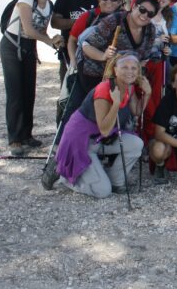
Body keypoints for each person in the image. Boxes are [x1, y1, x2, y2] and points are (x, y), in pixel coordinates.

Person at [46, 53, 149, 197]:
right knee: (102, 192)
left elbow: (137, 111)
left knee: (136, 144)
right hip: (82, 141)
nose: (130, 71)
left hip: (102, 139)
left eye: (134, 68)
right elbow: (105, 129)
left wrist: (147, 94)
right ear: (115, 70)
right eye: (124, 67)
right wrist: (116, 104)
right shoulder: (104, 89)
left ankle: (116, 181)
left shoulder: (129, 88)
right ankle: (64, 177)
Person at [67, 0, 162, 128]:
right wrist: (103, 56)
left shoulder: (150, 30)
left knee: (121, 112)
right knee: (97, 113)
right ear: (134, 6)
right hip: (95, 72)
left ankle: (112, 140)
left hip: (122, 76)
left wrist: (132, 78)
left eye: (150, 14)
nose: (145, 15)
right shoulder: (114, 21)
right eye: (142, 10)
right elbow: (86, 46)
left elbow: (142, 61)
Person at [0, 0, 64, 155]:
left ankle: (27, 135)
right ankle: (14, 140)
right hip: (12, 46)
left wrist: (55, 42)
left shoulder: (49, 6)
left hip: (29, 48)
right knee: (15, 93)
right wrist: (50, 41)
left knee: (29, 92)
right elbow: (28, 29)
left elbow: (41, 31)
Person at [51, 0, 98, 80]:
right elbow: (54, 22)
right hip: (68, 51)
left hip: (96, 52)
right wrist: (80, 22)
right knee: (68, 88)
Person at [142, 0, 174, 126]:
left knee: (157, 98)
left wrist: (167, 49)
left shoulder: (166, 18)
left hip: (160, 64)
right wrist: (156, 40)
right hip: (143, 63)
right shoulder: (144, 14)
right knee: (145, 98)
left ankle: (155, 130)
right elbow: (138, 38)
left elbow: (166, 42)